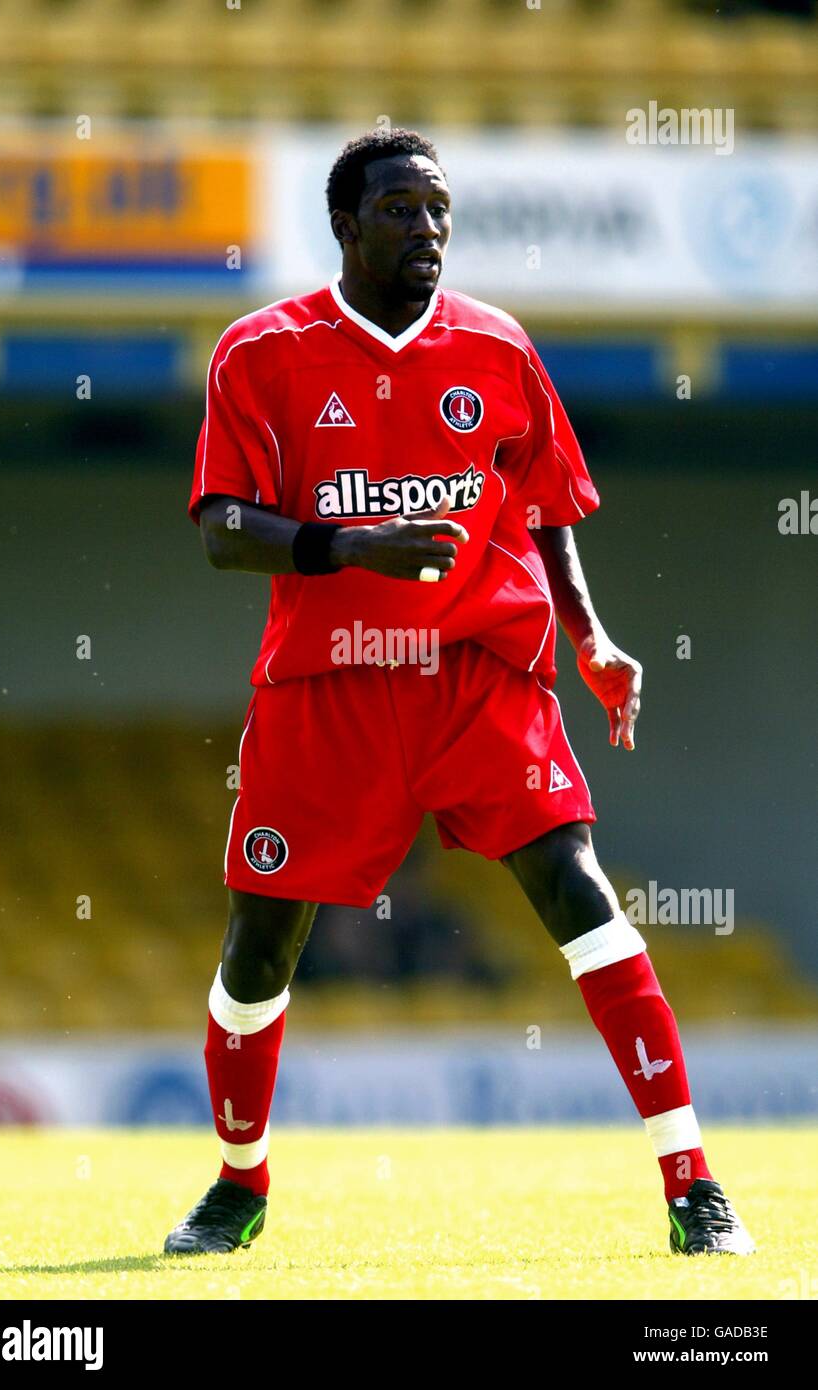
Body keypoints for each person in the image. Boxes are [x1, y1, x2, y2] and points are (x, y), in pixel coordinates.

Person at [164, 128, 754, 1259]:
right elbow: (222, 530)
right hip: (328, 687)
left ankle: (692, 1183)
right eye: (398, 210)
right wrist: (353, 548)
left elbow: (540, 508)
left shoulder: (495, 347)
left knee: (576, 891)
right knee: (257, 950)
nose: (424, 229)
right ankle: (239, 1181)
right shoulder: (258, 353)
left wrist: (588, 636)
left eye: (437, 210)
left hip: (479, 674)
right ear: (344, 225)